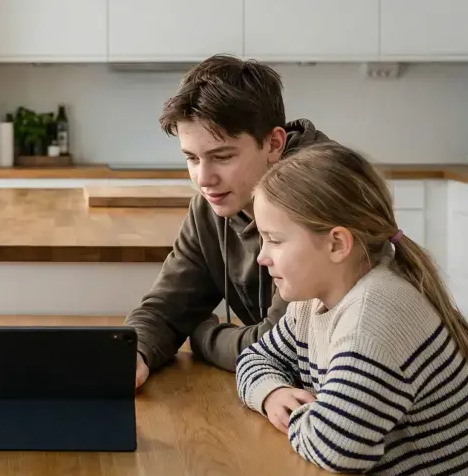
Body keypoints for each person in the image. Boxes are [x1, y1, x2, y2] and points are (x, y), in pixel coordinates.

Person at [236, 143, 468, 474]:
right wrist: (273, 392)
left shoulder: (376, 315)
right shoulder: (312, 303)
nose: (262, 257)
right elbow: (255, 358)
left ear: (337, 244)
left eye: (275, 240)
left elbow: (337, 448)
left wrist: (299, 415)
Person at [124, 54, 333, 386]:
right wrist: (133, 353)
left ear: (274, 144)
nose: (204, 178)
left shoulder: (319, 201)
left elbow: (280, 348)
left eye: (222, 157)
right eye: (192, 158)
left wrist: (201, 332)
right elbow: (166, 309)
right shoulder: (211, 207)